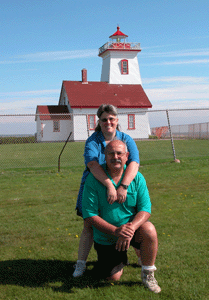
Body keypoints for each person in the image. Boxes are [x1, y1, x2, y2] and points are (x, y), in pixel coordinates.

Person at [82, 140, 161, 293]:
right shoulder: (94, 179)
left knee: (149, 229)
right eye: (111, 153)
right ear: (104, 156)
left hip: (131, 232)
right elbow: (90, 215)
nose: (115, 157)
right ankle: (114, 261)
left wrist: (130, 228)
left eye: (120, 153)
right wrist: (116, 231)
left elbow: (145, 210)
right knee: (113, 277)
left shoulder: (137, 178)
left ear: (127, 156)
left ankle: (148, 274)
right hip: (108, 236)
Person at [73, 104, 140, 277]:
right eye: (104, 119)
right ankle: (80, 264)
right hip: (95, 185)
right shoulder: (93, 141)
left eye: (111, 119)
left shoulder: (126, 139)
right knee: (89, 224)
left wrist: (123, 186)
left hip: (123, 184)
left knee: (130, 218)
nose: (108, 122)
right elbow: (92, 164)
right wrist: (110, 185)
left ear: (117, 120)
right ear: (99, 121)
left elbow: (134, 163)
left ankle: (142, 257)